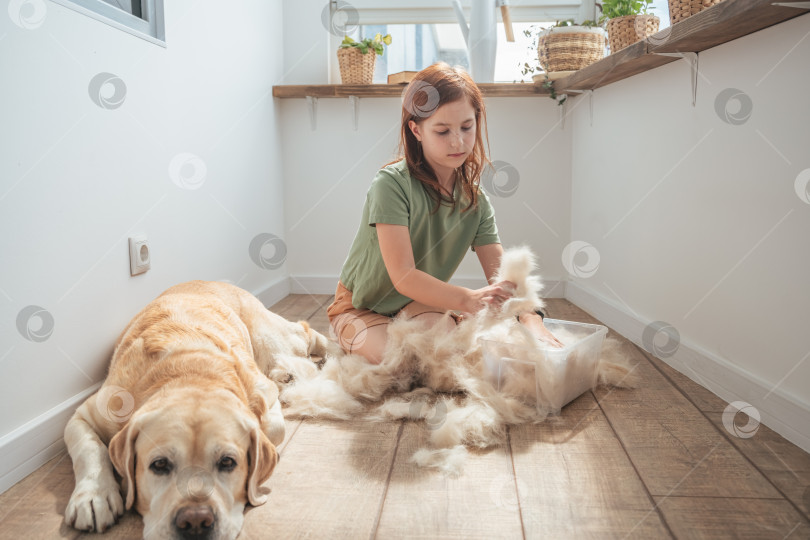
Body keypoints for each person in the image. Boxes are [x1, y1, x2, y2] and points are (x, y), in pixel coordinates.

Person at [327, 62, 562, 364]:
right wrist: (466, 299)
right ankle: (348, 335)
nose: (458, 142)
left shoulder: (476, 201)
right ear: (416, 130)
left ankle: (441, 328)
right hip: (359, 309)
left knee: (446, 355)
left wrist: (532, 321)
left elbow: (506, 277)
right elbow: (404, 277)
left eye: (467, 127)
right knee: (400, 365)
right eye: (442, 131)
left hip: (415, 306)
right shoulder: (390, 185)